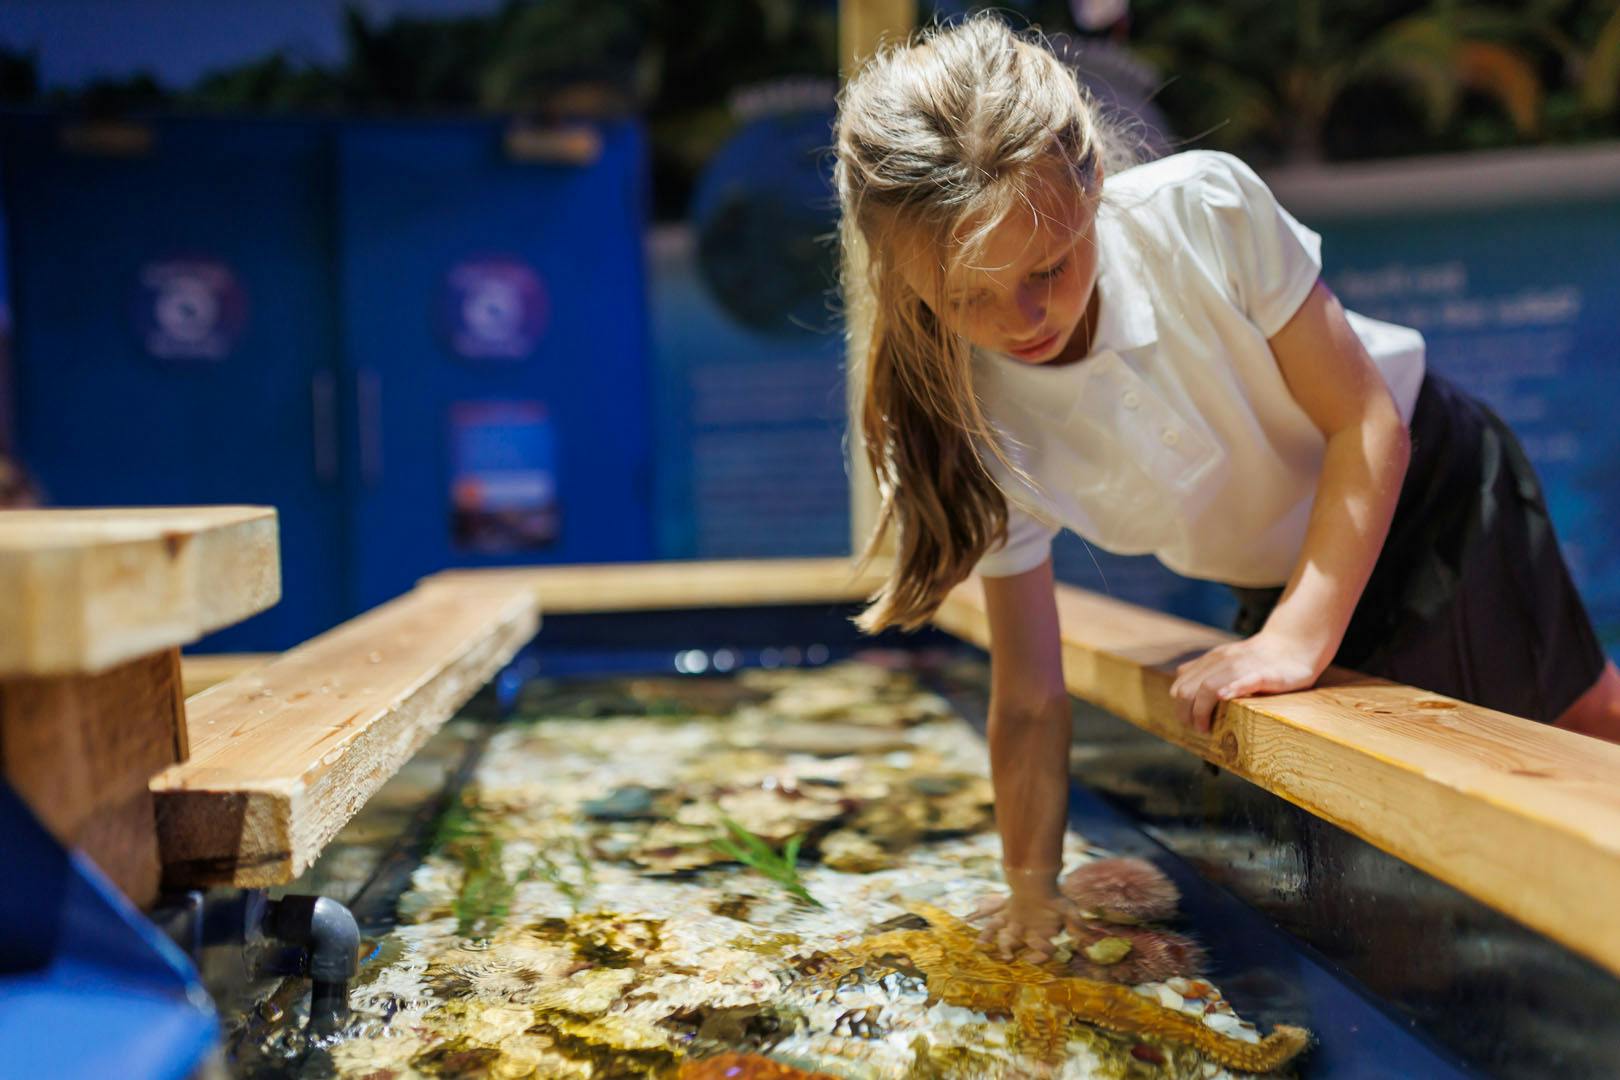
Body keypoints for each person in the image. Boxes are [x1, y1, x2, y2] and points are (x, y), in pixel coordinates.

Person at [831, 14, 1620, 963]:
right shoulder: (966, 420)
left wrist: (1293, 635)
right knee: (1388, 900)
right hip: (1280, 578)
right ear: (905, 275)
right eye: (969, 296)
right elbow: (1032, 696)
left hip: (1427, 487)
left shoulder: (1203, 211)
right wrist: (1030, 893)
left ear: (1089, 185)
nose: (1023, 317)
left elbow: (1365, 422)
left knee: (1581, 720)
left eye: (1049, 267)